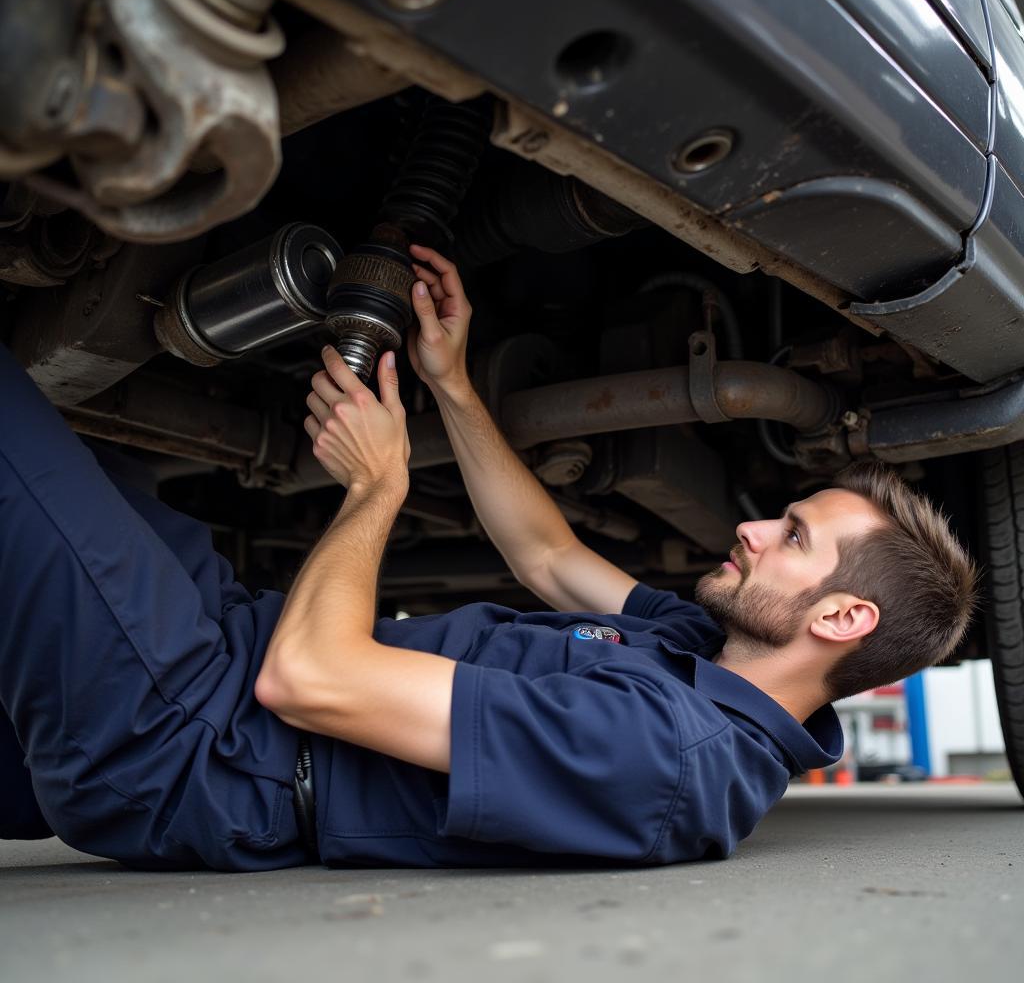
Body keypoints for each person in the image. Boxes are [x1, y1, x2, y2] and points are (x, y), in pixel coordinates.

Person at [0, 245, 978, 871]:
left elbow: (311, 678)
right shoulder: (701, 659)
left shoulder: (665, 756)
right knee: (75, 456)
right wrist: (452, 384)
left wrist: (375, 487)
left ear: (841, 618)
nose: (753, 530)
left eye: (794, 538)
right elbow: (546, 556)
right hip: (220, 648)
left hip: (194, 742)